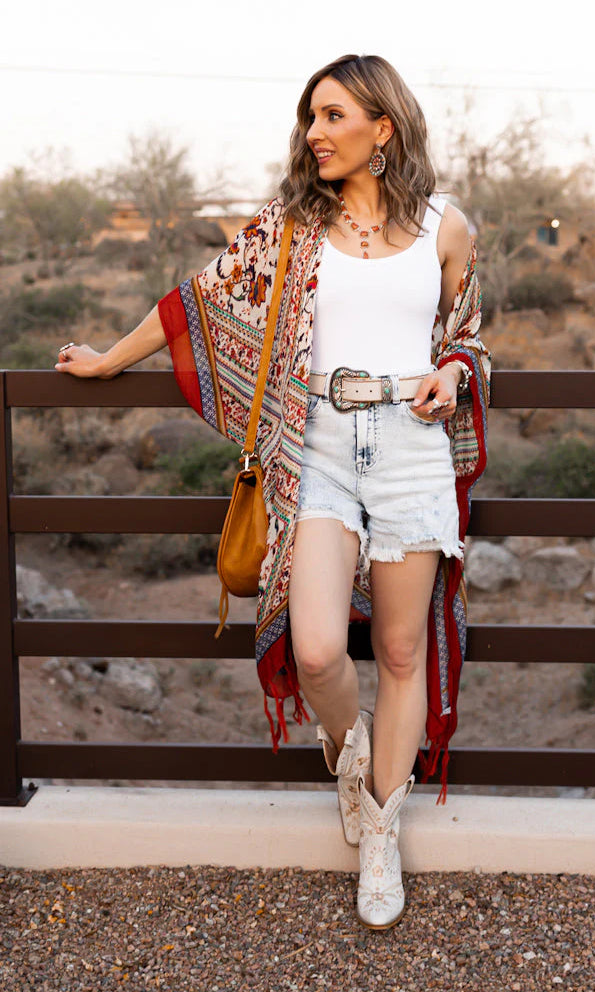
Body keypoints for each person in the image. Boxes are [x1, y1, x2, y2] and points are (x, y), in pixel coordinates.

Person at [55, 53, 490, 930]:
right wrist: (106, 359)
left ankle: (379, 832)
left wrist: (450, 370)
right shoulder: (292, 226)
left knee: (399, 652)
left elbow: (468, 336)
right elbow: (193, 303)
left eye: (333, 116)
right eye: (310, 118)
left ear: (383, 127)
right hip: (314, 447)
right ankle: (351, 751)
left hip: (410, 449)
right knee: (319, 651)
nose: (314, 133)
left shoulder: (447, 228)